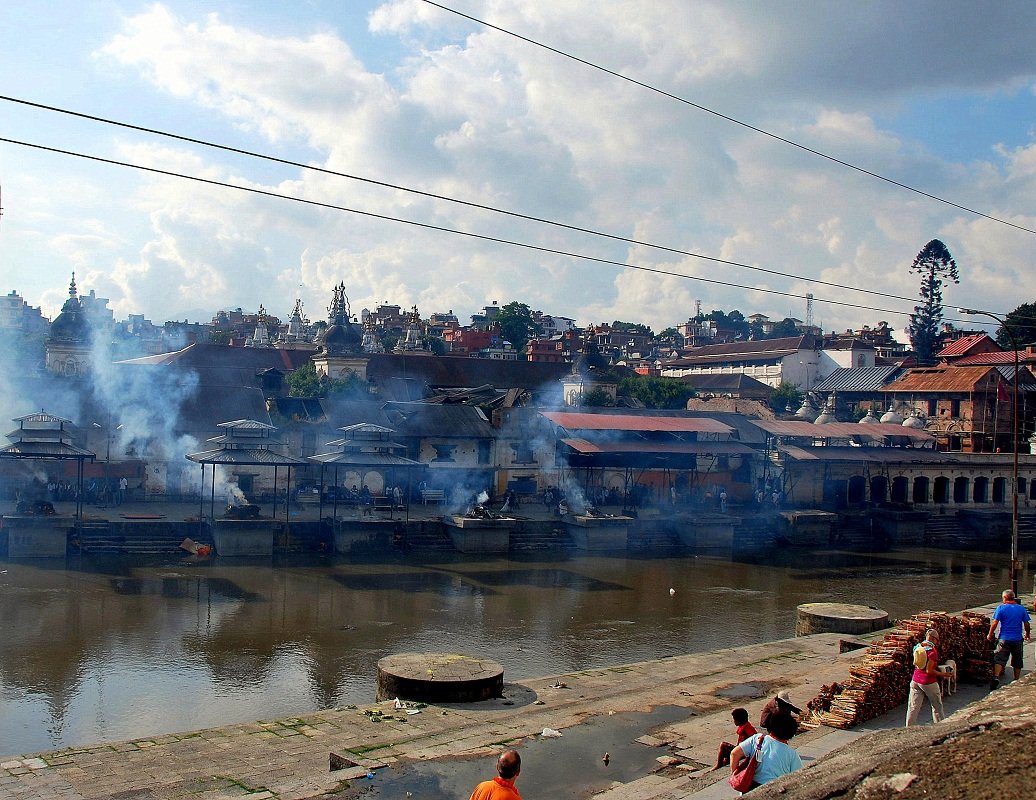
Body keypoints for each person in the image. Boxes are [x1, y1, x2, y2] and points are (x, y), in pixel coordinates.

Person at [729, 711, 801, 790]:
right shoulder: (791, 754)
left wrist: (734, 775)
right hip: (774, 789)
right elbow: (798, 778)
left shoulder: (757, 738)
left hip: (750, 787)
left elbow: (734, 754)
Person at [905, 629, 952, 725]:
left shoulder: (918, 647)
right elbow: (929, 670)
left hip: (915, 680)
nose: (937, 642)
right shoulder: (932, 652)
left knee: (913, 707)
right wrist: (944, 674)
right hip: (928, 682)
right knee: (937, 706)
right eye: (937, 640)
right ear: (933, 638)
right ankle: (940, 727)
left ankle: (908, 728)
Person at [987, 588, 1031, 689]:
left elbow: (995, 622)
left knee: (999, 658)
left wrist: (990, 634)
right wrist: (1027, 634)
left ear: (1005, 598)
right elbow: (1026, 623)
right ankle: (1016, 679)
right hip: (1017, 639)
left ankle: (996, 677)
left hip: (1004, 638)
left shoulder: (1001, 608)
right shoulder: (1021, 609)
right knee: (1017, 660)